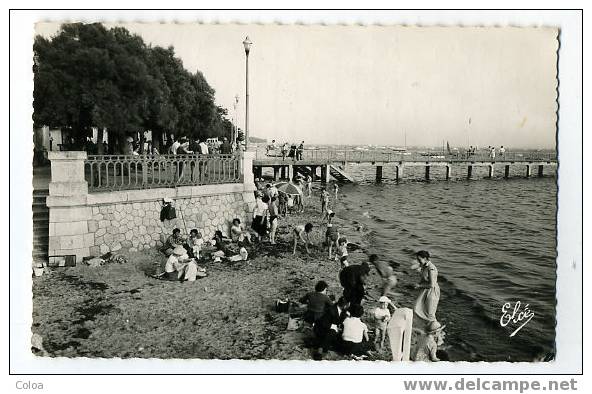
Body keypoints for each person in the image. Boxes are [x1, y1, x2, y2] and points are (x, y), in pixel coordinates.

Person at [413, 250, 441, 327]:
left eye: (419, 259)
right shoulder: (424, 267)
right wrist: (418, 284)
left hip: (432, 291)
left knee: (430, 312)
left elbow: (432, 285)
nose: (418, 261)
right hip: (425, 290)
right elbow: (423, 279)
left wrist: (419, 286)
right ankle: (426, 326)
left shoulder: (431, 268)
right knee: (418, 308)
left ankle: (435, 329)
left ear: (425, 258)